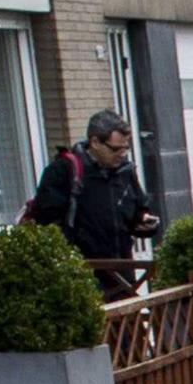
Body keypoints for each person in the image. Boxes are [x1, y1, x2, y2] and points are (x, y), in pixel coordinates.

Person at [25, 108, 161, 286]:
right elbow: (47, 224)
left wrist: (144, 222)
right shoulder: (63, 171)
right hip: (82, 280)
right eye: (115, 149)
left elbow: (138, 211)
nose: (123, 154)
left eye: (126, 147)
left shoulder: (125, 172)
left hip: (123, 278)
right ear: (95, 142)